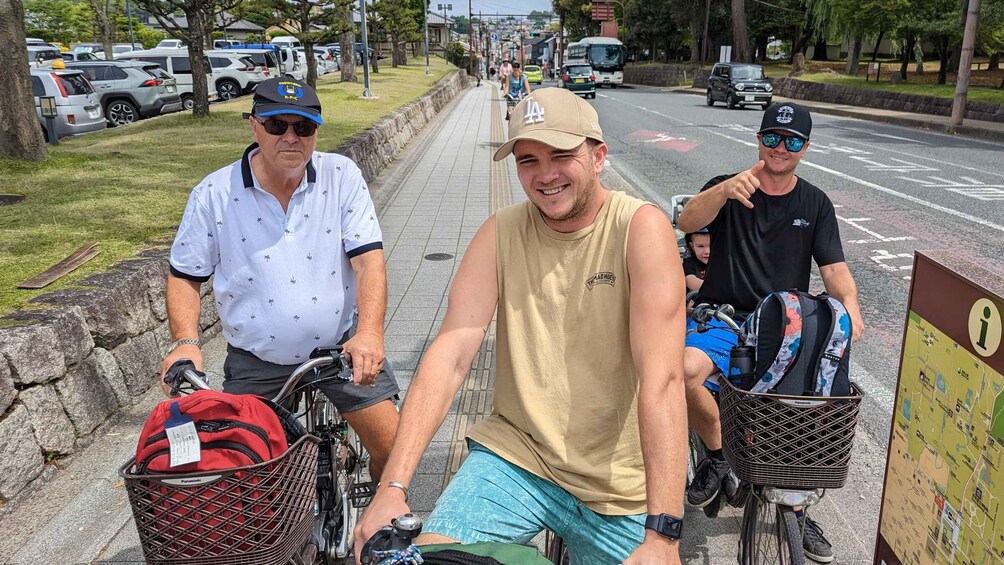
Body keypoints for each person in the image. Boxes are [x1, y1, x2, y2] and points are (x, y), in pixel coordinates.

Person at [355, 87, 689, 565]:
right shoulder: (501, 231)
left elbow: (663, 381)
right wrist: (393, 486)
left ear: (598, 157)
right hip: (519, 458)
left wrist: (664, 535)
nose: (545, 175)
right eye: (528, 160)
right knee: (430, 560)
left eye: (562, 155)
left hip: (621, 483)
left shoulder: (638, 228)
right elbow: (450, 355)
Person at [161, 77, 400, 482]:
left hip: (338, 349)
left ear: (317, 131)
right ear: (254, 125)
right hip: (257, 360)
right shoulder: (214, 194)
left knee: (396, 449)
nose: (291, 138)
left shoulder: (340, 175)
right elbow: (185, 275)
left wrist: (370, 332)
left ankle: (379, 525)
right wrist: (185, 343)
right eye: (277, 125)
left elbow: (368, 261)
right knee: (243, 470)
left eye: (303, 127)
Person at [677, 102, 864, 564]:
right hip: (722, 317)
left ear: (805, 148)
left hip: (786, 326)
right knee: (681, 371)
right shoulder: (731, 189)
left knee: (806, 407)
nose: (781, 148)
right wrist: (722, 191)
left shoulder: (815, 203)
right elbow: (686, 221)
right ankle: (719, 453)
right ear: (759, 138)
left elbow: (835, 270)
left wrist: (851, 311)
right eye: (773, 137)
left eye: (793, 141)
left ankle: (797, 513)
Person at [683, 228, 710, 292]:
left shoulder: (723, 262)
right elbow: (690, 281)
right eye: (700, 246)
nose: (707, 251)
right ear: (692, 247)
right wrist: (716, 287)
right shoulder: (690, 263)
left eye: (711, 245)